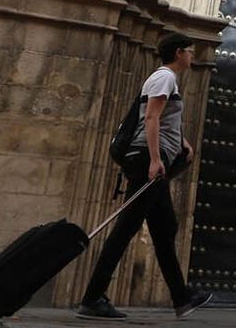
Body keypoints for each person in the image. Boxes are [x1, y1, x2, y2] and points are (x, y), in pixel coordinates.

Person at [76, 33, 211, 321]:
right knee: (125, 228)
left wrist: (181, 142)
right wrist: (155, 159)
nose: (192, 55)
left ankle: (181, 297)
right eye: (189, 51)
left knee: (165, 228)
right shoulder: (164, 77)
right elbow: (150, 117)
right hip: (146, 160)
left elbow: (161, 117)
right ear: (178, 53)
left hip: (151, 158)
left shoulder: (166, 79)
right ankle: (92, 298)